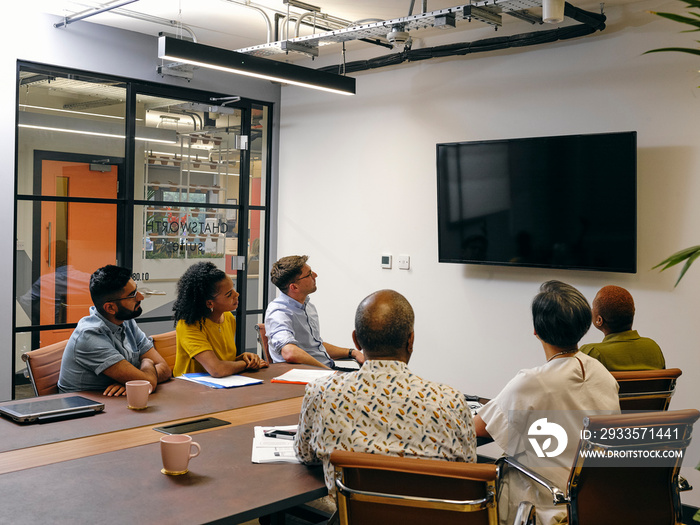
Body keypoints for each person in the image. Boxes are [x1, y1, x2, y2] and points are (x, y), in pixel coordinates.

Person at [294, 289, 476, 494]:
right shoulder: (450, 401)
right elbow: (467, 472)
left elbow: (306, 455)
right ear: (411, 340)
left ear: (356, 341)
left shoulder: (322, 393)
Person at [474, 280, 620, 525]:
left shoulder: (532, 382)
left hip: (548, 502)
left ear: (536, 331)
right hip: (597, 501)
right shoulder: (602, 373)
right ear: (584, 324)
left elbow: (479, 427)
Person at [58, 265, 172, 396]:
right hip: (83, 411)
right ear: (110, 308)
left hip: (113, 403)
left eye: (136, 290)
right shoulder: (89, 335)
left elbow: (165, 369)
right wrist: (147, 362)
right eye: (132, 295)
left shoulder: (126, 321)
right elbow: (149, 382)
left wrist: (130, 381)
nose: (140, 297)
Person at [264, 255, 364, 368]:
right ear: (294, 287)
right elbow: (289, 352)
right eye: (309, 274)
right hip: (308, 376)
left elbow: (315, 346)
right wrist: (326, 370)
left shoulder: (308, 306)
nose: (315, 275)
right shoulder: (278, 312)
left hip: (325, 370)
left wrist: (352, 352)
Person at [172, 262, 267, 377]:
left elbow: (221, 361)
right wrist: (246, 364)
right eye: (228, 294)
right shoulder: (189, 325)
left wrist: (242, 359)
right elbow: (216, 369)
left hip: (221, 385)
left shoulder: (228, 317)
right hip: (191, 388)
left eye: (233, 288)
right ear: (210, 303)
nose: (236, 294)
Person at [580, 285, 665, 370]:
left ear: (599, 320)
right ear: (633, 312)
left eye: (592, 308)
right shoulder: (653, 348)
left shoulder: (592, 353)